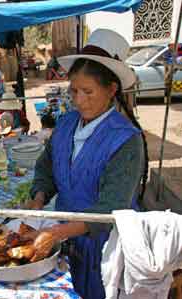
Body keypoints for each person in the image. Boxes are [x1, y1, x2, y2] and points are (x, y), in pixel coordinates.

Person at [22, 29, 148, 299]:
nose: (78, 100)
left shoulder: (126, 140)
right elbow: (47, 166)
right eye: (74, 91)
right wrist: (38, 198)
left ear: (111, 89)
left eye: (88, 92)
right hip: (64, 234)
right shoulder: (67, 123)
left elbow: (110, 208)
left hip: (103, 244)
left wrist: (57, 233)